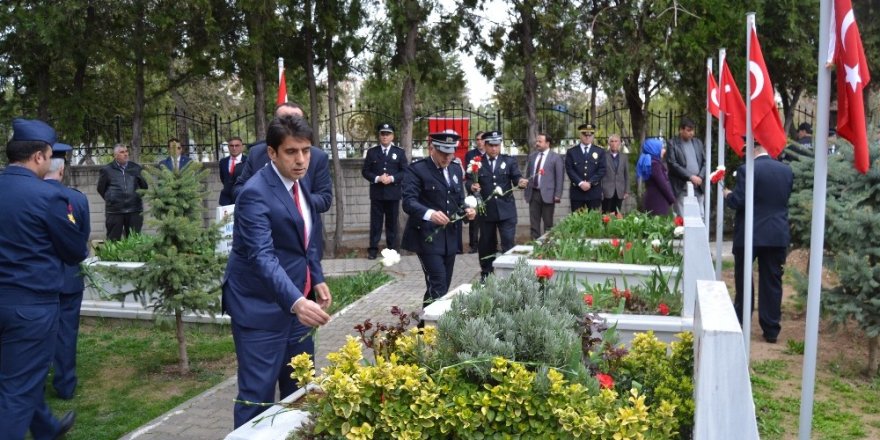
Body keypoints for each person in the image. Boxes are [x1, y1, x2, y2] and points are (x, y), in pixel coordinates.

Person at [222, 115, 332, 428]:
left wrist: (318, 278)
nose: (301, 160)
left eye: (306, 151)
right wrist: (297, 302)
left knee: (299, 390)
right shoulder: (254, 193)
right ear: (272, 153)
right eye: (291, 152)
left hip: (297, 307)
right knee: (257, 397)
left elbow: (306, 240)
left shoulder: (300, 184)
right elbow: (262, 257)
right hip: (260, 308)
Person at [0, 118, 89, 439]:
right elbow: (75, 250)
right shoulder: (47, 197)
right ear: (38, 156)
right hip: (31, 309)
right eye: (50, 155)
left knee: (16, 376)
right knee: (16, 392)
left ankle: (47, 429)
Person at [233, 102, 332, 257]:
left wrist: (293, 201)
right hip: (267, 243)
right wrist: (266, 199)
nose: (300, 160)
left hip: (303, 245)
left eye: (296, 119)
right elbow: (239, 189)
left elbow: (324, 199)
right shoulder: (256, 153)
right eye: (285, 119)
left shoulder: (318, 157)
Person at [723, 143, 793, 344]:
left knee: (744, 278)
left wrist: (727, 194)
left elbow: (739, 201)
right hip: (776, 233)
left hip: (750, 233)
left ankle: (742, 320)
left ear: (754, 149)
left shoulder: (747, 170)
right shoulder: (786, 171)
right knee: (772, 280)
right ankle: (771, 329)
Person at [401, 131, 476, 311]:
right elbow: (408, 202)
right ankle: (431, 329)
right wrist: (429, 213)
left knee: (442, 285)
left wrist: (467, 210)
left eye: (450, 153)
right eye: (443, 152)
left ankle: (425, 327)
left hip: (450, 237)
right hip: (426, 236)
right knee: (438, 283)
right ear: (431, 148)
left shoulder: (456, 168)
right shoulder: (417, 169)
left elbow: (458, 200)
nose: (447, 157)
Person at [43, 143, 91, 401]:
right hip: (69, 277)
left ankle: (36, 384)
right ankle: (65, 384)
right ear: (62, 171)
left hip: (39, 279)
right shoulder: (77, 199)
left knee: (36, 334)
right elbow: (82, 238)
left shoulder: (31, 196)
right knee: (66, 332)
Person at [469, 131, 528, 281]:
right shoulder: (477, 162)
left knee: (508, 242)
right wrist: (472, 186)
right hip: (486, 210)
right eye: (491, 145)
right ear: (485, 145)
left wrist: (521, 182)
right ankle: (486, 274)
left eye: (497, 145)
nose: (494, 148)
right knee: (486, 243)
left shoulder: (508, 161)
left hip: (506, 210)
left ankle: (510, 275)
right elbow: (469, 180)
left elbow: (516, 177)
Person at [361, 123, 408, 259]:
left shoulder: (399, 152)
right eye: (383, 134)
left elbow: (405, 171)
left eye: (388, 134)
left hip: (393, 194)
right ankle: (373, 249)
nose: (385, 136)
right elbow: (365, 171)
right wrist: (377, 178)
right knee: (375, 223)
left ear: (392, 136)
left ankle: (391, 250)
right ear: (379, 135)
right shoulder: (372, 152)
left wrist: (392, 178)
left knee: (392, 223)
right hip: (377, 193)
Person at [97, 143, 148, 240]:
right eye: (122, 152)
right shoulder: (107, 170)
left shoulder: (136, 168)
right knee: (113, 240)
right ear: (115, 155)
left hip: (134, 210)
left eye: (126, 151)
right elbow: (101, 189)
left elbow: (144, 187)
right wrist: (111, 199)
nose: (126, 154)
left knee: (134, 240)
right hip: (115, 211)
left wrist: (135, 197)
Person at [523, 132, 563, 240]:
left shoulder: (555, 158)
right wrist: (525, 190)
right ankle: (534, 244)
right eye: (537, 141)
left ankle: (547, 244)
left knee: (548, 223)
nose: (537, 143)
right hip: (534, 193)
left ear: (547, 143)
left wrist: (558, 194)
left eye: (540, 141)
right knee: (534, 222)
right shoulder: (532, 156)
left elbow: (559, 178)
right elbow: (528, 175)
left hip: (548, 195)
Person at [666, 117, 706, 217]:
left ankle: (699, 233)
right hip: (681, 186)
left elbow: (705, 161)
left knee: (700, 215)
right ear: (681, 130)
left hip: (698, 185)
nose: (691, 133)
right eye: (688, 130)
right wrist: (691, 176)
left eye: (692, 130)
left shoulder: (698, 142)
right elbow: (672, 164)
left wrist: (700, 176)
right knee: (682, 217)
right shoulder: (672, 143)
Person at [565, 123, 606, 212]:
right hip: (577, 192)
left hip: (594, 192)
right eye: (584, 134)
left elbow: (602, 169)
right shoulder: (572, 151)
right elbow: (569, 169)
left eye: (590, 135)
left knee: (593, 222)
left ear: (593, 136)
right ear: (580, 135)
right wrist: (580, 183)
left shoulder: (600, 151)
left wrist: (590, 183)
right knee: (577, 221)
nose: (587, 137)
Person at [636, 137, 676, 216]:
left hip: (654, 200)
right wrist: (672, 199)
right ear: (654, 149)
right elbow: (662, 184)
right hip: (657, 202)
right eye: (661, 148)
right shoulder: (654, 164)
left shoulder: (651, 162)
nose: (664, 150)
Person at [463, 131, 486, 253]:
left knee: (488, 220)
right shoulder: (470, 154)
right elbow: (468, 175)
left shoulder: (489, 154)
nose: (479, 141)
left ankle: (488, 243)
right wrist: (472, 185)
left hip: (486, 192)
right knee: (474, 220)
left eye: (482, 139)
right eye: (477, 139)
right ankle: (474, 245)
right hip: (474, 191)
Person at [601, 134, 630, 214]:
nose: (614, 143)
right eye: (612, 141)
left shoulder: (624, 157)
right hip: (607, 191)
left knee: (617, 214)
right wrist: (601, 190)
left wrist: (627, 190)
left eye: (616, 141)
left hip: (619, 191)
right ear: (609, 143)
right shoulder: (603, 156)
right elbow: (600, 174)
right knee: (605, 215)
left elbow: (626, 174)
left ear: (620, 143)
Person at [219, 136, 247, 205]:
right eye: (231, 146)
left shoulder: (248, 161)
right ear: (228, 147)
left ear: (242, 147)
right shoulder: (223, 162)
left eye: (237, 145)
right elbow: (223, 179)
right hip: (226, 200)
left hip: (242, 199)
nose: (234, 148)